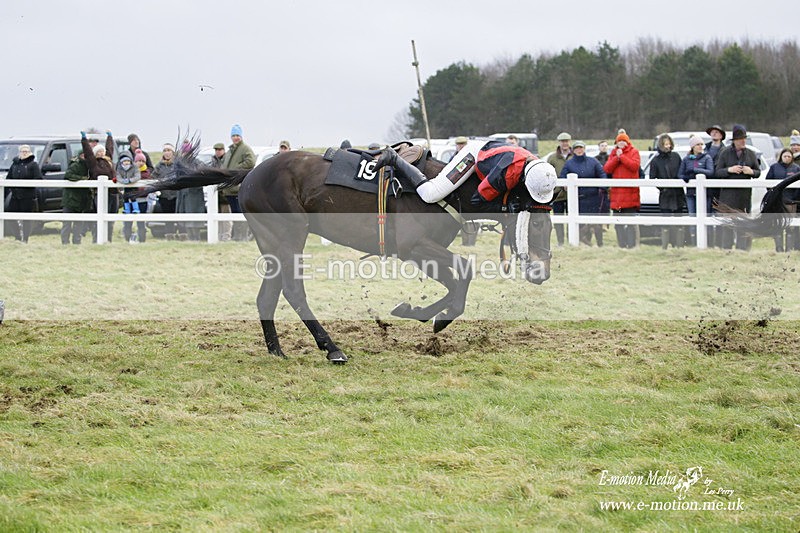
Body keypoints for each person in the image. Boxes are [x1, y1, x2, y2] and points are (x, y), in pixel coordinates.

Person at [372, 139, 557, 210]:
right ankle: (395, 159)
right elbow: (478, 199)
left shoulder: (540, 167)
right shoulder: (504, 174)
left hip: (492, 151)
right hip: (472, 156)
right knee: (431, 194)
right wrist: (504, 208)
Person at [714, 124, 761, 250]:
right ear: (734, 141)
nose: (743, 141)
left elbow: (758, 172)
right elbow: (717, 172)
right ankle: (727, 249)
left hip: (744, 196)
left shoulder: (751, 154)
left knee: (744, 224)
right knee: (728, 225)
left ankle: (743, 250)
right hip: (728, 196)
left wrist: (750, 171)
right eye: (740, 139)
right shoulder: (725, 153)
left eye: (744, 138)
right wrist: (730, 169)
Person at [560, 141, 607, 246]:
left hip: (593, 198)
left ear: (584, 149)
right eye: (576, 148)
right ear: (573, 150)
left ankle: (600, 244)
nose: (579, 150)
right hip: (578, 199)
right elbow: (563, 176)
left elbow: (602, 174)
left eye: (581, 148)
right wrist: (565, 185)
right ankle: (583, 243)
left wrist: (602, 187)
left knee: (596, 223)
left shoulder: (593, 161)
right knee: (580, 224)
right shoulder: (569, 163)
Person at [603, 131, 641, 248]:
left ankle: (631, 245)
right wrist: (616, 158)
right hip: (617, 196)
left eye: (623, 141)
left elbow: (634, 166)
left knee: (630, 223)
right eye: (619, 141)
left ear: (627, 142)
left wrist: (622, 157)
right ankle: (621, 245)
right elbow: (607, 169)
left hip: (630, 194)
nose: (621, 143)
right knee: (618, 223)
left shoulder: (634, 152)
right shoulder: (613, 154)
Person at [650, 133, 685, 249]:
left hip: (678, 194)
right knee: (666, 220)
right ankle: (665, 246)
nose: (667, 146)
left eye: (668, 143)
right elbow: (652, 178)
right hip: (665, 195)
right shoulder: (656, 160)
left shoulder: (676, 156)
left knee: (678, 220)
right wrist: (662, 188)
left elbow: (681, 172)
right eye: (665, 144)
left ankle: (678, 245)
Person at [81, 131, 118, 242]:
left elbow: (110, 148)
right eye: (99, 151)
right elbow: (87, 152)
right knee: (99, 217)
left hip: (112, 193)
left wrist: (110, 137)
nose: (101, 153)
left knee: (111, 218)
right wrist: (84, 140)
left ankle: (108, 239)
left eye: (102, 151)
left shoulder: (108, 161)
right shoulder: (93, 163)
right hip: (99, 194)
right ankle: (96, 239)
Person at [679, 135, 715, 246]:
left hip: (705, 194)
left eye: (701, 144)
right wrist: (686, 177)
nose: (700, 146)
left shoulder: (707, 158)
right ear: (692, 147)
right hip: (691, 193)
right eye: (697, 144)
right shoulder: (686, 159)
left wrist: (695, 170)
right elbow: (680, 174)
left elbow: (710, 172)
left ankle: (708, 243)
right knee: (692, 217)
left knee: (705, 216)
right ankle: (694, 243)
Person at [221, 124, 255, 241]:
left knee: (241, 214)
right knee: (234, 213)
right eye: (234, 135)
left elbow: (251, 162)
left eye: (237, 135)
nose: (235, 138)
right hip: (229, 189)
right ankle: (237, 236)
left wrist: (235, 169)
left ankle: (243, 236)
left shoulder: (245, 148)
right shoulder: (230, 150)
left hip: (238, 188)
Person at [4, 145, 42, 242]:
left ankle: (25, 239)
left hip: (28, 196)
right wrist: (13, 189)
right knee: (10, 216)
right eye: (22, 151)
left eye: (26, 151)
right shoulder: (15, 164)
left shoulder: (33, 164)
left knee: (26, 218)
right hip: (15, 195)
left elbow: (38, 178)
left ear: (29, 152)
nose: (24, 153)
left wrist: (26, 185)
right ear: (19, 152)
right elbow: (9, 178)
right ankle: (17, 236)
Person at [765, 148, 800, 252]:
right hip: (778, 201)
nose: (787, 158)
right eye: (785, 156)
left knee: (790, 226)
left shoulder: (796, 168)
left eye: (789, 156)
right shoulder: (774, 168)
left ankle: (789, 249)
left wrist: (794, 198)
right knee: (778, 225)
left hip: (791, 201)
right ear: (781, 157)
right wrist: (774, 196)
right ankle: (779, 248)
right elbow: (768, 182)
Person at [61, 149, 93, 245]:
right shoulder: (76, 165)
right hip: (71, 198)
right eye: (83, 155)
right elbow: (68, 175)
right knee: (67, 223)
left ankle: (77, 241)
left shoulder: (89, 166)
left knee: (79, 223)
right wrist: (82, 179)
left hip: (81, 199)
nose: (84, 157)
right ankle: (65, 242)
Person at [547, 132, 573, 246]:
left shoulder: (574, 156)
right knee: (558, 219)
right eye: (563, 141)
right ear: (559, 143)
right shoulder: (552, 158)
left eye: (566, 141)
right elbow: (547, 174)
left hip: (572, 193)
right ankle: (560, 241)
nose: (565, 144)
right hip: (558, 193)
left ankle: (571, 240)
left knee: (571, 218)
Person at [152, 143, 179, 236]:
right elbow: (153, 178)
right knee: (167, 216)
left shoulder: (178, 165)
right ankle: (169, 234)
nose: (167, 153)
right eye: (165, 151)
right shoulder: (159, 166)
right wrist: (157, 190)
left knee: (178, 215)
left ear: (173, 152)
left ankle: (182, 234)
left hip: (176, 195)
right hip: (164, 195)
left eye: (169, 151)